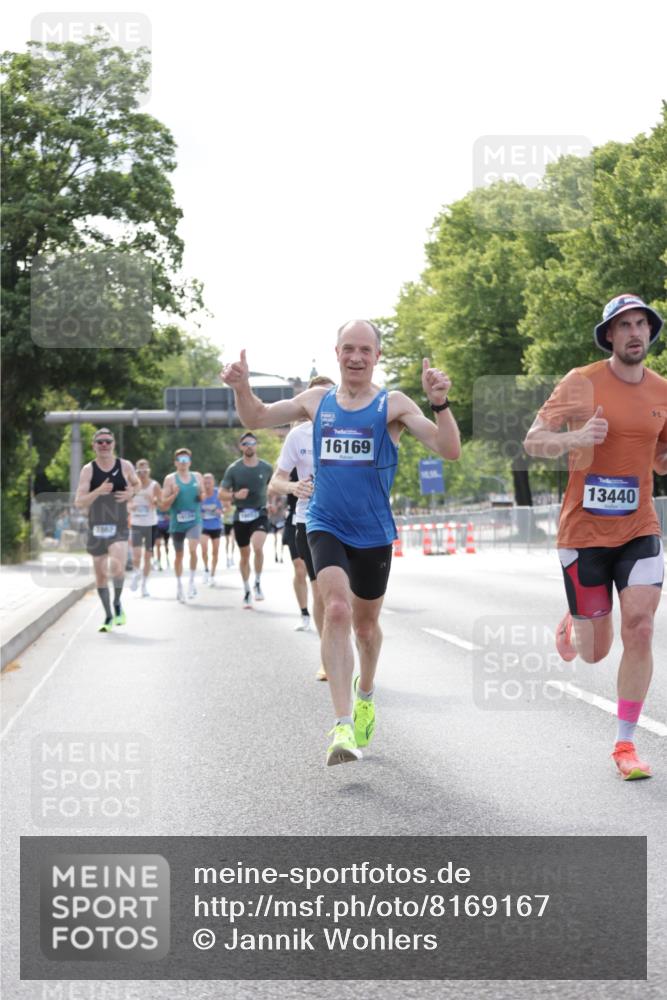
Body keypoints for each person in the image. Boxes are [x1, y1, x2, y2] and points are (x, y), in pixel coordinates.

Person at [222, 320, 460, 764]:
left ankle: (365, 692)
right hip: (324, 521)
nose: (355, 357)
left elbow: (448, 449)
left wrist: (441, 403)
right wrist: (241, 387)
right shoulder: (317, 402)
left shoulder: (393, 404)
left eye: (364, 350)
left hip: (373, 532)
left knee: (366, 629)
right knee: (334, 609)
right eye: (348, 349)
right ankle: (342, 725)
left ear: (377, 356)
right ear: (336, 353)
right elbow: (256, 416)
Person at [524, 293, 667, 780]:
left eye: (641, 324)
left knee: (642, 627)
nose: (634, 333)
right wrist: (574, 439)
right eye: (623, 325)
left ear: (650, 333)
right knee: (594, 651)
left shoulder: (662, 391)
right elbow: (533, 439)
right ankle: (574, 622)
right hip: (583, 530)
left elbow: (662, 457)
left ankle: (625, 744)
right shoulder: (581, 383)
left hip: (639, 527)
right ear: (609, 335)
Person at [269, 374, 336, 679]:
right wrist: (293, 488)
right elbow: (277, 480)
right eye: (314, 398)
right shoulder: (298, 436)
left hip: (349, 520)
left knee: (348, 599)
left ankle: (346, 648)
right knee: (321, 594)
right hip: (309, 521)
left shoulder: (353, 430)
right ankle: (329, 656)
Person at [74, 427, 139, 632]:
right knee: (100, 576)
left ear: (113, 444)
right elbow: (79, 502)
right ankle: (108, 616)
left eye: (107, 441)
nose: (104, 445)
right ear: (93, 445)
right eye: (100, 442)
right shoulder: (88, 470)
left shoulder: (125, 465)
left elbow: (136, 485)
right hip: (96, 527)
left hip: (118, 525)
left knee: (117, 565)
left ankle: (118, 602)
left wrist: (131, 493)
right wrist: (99, 491)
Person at [220, 433, 273, 608]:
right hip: (241, 514)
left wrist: (272, 502)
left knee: (257, 546)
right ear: (241, 447)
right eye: (245, 443)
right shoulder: (234, 469)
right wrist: (235, 495)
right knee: (244, 555)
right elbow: (221, 493)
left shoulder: (266, 468)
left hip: (260, 513)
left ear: (256, 445)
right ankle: (247, 589)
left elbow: (273, 486)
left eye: (252, 443)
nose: (249, 446)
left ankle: (257, 582)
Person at [160, 448, 204, 602]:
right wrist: (174, 494)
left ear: (190, 462)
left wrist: (200, 494)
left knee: (193, 549)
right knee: (179, 555)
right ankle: (179, 585)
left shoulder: (197, 477)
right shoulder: (170, 479)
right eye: (180, 460)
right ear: (175, 463)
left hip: (194, 520)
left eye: (186, 460)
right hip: (177, 522)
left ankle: (191, 582)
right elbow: (163, 505)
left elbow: (202, 497)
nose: (183, 463)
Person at [129, 459, 161, 597]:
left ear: (149, 471)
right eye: (139, 471)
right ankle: (136, 573)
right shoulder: (132, 485)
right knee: (136, 555)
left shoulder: (154, 485)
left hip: (150, 524)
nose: (142, 474)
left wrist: (151, 500)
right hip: (136, 523)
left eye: (145, 471)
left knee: (147, 557)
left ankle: (144, 585)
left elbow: (160, 503)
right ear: (136, 472)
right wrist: (132, 506)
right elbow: (126, 502)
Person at [199, 473, 224, 586]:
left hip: (216, 526)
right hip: (203, 526)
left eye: (209, 482)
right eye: (205, 482)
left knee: (215, 552)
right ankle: (206, 569)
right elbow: (194, 509)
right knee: (204, 550)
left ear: (213, 482)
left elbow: (226, 507)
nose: (207, 484)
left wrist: (221, 511)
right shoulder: (200, 495)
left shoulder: (218, 493)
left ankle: (212, 575)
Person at [222, 498, 236, 567]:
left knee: (233, 541)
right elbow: (221, 513)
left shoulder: (234, 508)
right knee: (227, 542)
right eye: (226, 502)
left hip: (233, 525)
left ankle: (232, 557)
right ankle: (227, 557)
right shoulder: (224, 509)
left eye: (229, 501)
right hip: (227, 525)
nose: (227, 503)